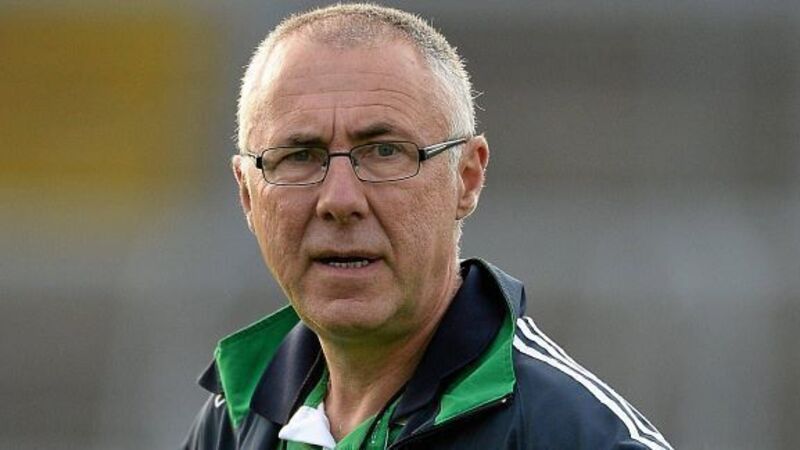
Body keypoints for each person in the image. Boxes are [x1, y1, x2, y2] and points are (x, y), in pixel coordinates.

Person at [182, 4, 672, 449]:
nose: (339, 200)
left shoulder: (571, 437)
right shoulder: (235, 419)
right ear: (248, 194)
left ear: (467, 177)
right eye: (299, 156)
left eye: (385, 151)